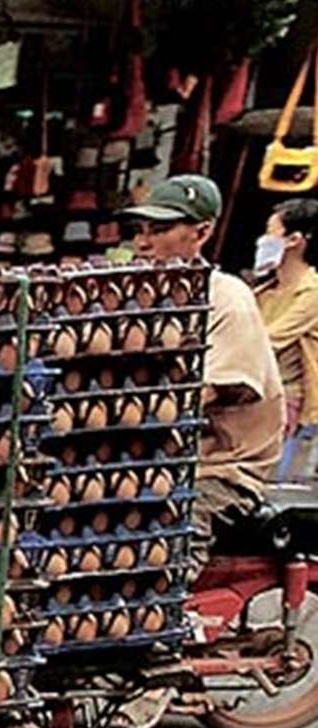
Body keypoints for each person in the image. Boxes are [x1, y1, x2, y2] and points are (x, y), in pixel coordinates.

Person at [122, 175, 285, 580]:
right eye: (140, 231)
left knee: (174, 530)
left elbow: (209, 392)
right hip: (150, 461)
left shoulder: (226, 297)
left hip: (218, 469)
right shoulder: (139, 297)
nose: (143, 243)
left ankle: (164, 628)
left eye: (159, 230)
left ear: (202, 232)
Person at [253, 198, 318, 450]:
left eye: (271, 233)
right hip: (252, 392)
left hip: (282, 399)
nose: (263, 241)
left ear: (294, 240)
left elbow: (268, 341)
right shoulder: (265, 290)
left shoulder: (312, 293)